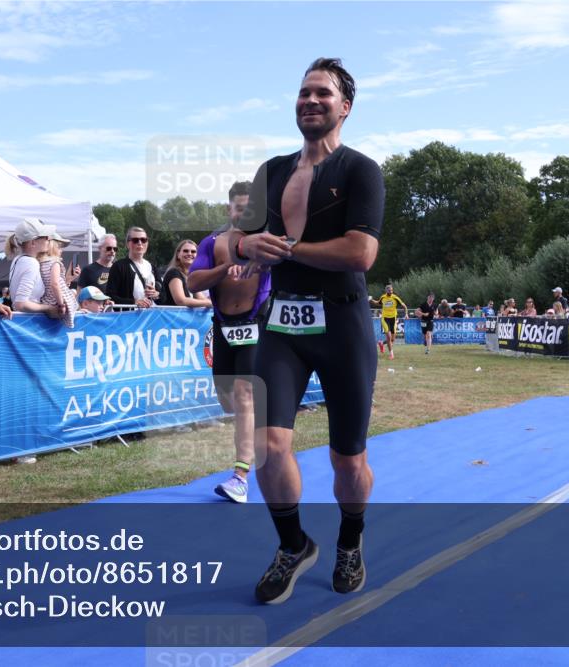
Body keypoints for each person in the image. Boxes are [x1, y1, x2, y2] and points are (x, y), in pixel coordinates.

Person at [225, 58, 385, 603]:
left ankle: (350, 540)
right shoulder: (271, 171)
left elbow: (361, 253)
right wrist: (247, 244)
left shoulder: (361, 170)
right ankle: (293, 545)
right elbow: (236, 241)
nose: (310, 101)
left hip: (343, 324)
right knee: (268, 447)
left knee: (349, 459)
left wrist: (287, 249)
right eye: (303, 92)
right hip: (282, 325)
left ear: (345, 107)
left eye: (322, 93)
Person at [187, 179, 271, 504]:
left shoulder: (266, 241)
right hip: (224, 327)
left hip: (255, 324)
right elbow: (193, 281)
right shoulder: (212, 243)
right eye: (240, 209)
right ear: (229, 209)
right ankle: (256, 432)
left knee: (244, 394)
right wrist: (224, 269)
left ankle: (240, 476)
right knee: (227, 400)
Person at [7, 217, 60, 317]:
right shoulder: (31, 262)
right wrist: (49, 308)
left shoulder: (18, 259)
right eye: (45, 236)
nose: (48, 239)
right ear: (33, 243)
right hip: (30, 321)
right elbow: (20, 304)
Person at [105, 227, 161, 308]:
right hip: (130, 314)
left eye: (143, 240)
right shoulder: (118, 266)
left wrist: (156, 294)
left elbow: (164, 296)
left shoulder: (152, 267)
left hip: (152, 314)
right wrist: (134, 302)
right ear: (128, 244)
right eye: (135, 240)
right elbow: (110, 296)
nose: (140, 243)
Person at [39, 231, 79, 327]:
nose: (62, 250)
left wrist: (68, 279)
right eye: (59, 247)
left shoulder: (41, 263)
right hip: (56, 303)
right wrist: (61, 304)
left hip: (47, 301)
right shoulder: (55, 263)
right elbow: (55, 284)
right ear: (53, 247)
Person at [160, 240, 211, 307]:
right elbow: (181, 301)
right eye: (185, 251)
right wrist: (209, 303)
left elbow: (201, 298)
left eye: (193, 251)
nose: (189, 254)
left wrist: (211, 302)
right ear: (178, 255)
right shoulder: (174, 273)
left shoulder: (191, 276)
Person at [370, 284, 408, 360]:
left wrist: (406, 314)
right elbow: (377, 303)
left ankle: (381, 343)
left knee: (392, 339)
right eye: (389, 290)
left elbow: (404, 306)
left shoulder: (395, 298)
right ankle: (391, 354)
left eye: (391, 290)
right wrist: (371, 300)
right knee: (389, 336)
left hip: (393, 319)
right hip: (385, 319)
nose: (391, 292)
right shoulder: (383, 297)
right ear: (386, 290)